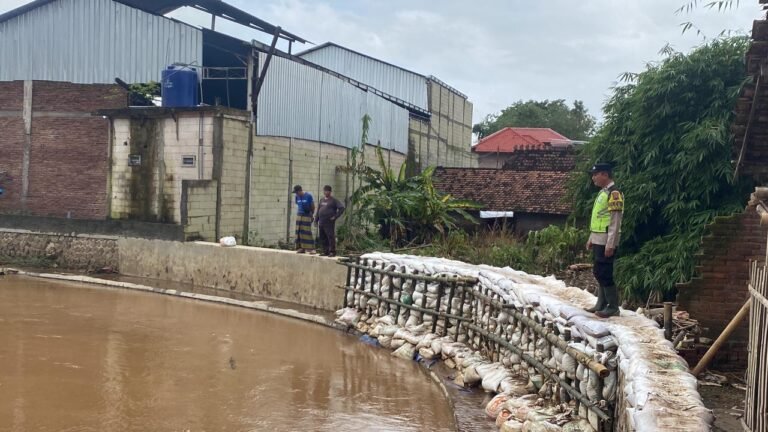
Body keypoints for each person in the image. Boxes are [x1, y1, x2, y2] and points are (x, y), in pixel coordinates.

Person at [584, 162, 624, 318]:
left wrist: (611, 244)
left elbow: (615, 221)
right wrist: (591, 238)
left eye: (596, 174)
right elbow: (598, 219)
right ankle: (601, 303)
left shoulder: (614, 194)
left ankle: (613, 307)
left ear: (605, 175)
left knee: (604, 272)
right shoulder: (603, 193)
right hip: (598, 238)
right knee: (599, 272)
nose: (593, 178)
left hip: (606, 240)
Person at [314, 185, 345, 257]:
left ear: (330, 192)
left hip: (329, 222)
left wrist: (335, 217)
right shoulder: (321, 200)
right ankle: (325, 251)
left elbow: (341, 208)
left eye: (327, 191)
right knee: (323, 237)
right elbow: (318, 210)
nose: (326, 192)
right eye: (325, 191)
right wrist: (316, 220)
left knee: (330, 237)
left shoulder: (333, 200)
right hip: (321, 222)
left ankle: (332, 252)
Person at [292, 185, 315, 254]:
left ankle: (311, 248)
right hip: (299, 215)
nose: (296, 194)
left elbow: (312, 206)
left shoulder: (308, 196)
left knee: (306, 231)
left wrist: (311, 215)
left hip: (306, 215)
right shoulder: (297, 197)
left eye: (297, 192)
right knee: (299, 232)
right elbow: (298, 204)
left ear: (300, 191)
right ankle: (302, 248)